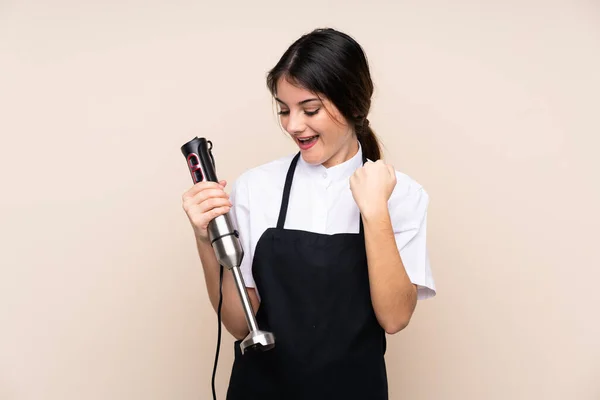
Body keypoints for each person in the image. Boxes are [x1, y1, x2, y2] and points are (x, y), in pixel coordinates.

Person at [182, 27, 436, 400]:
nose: (293, 125)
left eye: (310, 109)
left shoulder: (403, 194)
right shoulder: (256, 187)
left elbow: (395, 318)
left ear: (354, 105)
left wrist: (375, 211)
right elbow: (239, 324)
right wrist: (206, 238)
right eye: (284, 110)